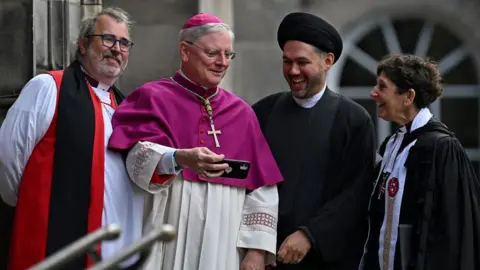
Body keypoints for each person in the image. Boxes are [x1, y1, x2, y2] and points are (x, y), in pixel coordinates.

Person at [107, 13, 284, 270]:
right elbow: (134, 162)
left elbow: (262, 188)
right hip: (167, 237)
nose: (222, 62)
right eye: (213, 53)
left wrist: (256, 250)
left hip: (225, 246)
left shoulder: (242, 112)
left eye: (228, 55)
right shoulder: (151, 98)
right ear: (185, 51)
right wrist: (178, 158)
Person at [0, 7, 144, 270]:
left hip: (110, 245)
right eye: (108, 39)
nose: (117, 49)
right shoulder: (48, 87)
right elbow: (8, 159)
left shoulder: (126, 108)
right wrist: (36, 204)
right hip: (50, 237)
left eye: (124, 43)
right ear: (83, 44)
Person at [252, 12, 376, 270]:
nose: (293, 71)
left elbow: (356, 193)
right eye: (287, 62)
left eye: (302, 62)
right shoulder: (262, 112)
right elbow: (251, 183)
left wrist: (310, 234)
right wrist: (255, 244)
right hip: (266, 256)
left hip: (325, 258)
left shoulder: (353, 119)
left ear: (327, 61)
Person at [361, 53, 480, 270]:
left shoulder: (442, 148)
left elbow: (452, 234)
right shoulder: (393, 145)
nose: (373, 93)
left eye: (382, 87)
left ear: (408, 96)